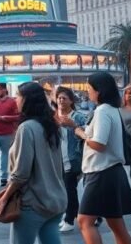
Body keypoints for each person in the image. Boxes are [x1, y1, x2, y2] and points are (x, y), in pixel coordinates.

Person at [0, 81, 68, 244]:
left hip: (34, 202)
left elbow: (21, 173)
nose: (15, 100)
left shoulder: (27, 128)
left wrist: (5, 197)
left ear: (27, 100)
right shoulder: (51, 125)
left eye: (19, 96)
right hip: (56, 199)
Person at [75, 72, 131, 244]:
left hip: (101, 172)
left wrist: (81, 133)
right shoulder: (113, 110)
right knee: (117, 225)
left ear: (99, 91)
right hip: (112, 172)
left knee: (85, 221)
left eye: (89, 88)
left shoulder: (102, 112)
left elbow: (99, 144)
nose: (88, 92)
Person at [54, 87, 88, 234]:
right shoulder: (54, 117)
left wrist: (73, 126)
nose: (61, 101)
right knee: (63, 189)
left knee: (69, 189)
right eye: (59, 98)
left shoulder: (78, 116)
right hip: (58, 158)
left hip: (73, 158)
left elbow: (87, 133)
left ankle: (69, 219)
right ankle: (79, 215)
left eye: (64, 98)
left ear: (71, 101)